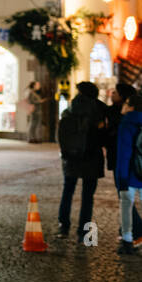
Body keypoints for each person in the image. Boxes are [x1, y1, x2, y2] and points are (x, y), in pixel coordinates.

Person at [57, 81, 107, 244]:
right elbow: (103, 136)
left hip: (71, 157)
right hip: (92, 158)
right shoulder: (99, 111)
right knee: (87, 197)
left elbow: (62, 133)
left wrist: (65, 151)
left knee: (68, 191)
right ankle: (83, 233)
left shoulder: (69, 110)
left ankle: (63, 227)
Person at [112, 94, 142, 256]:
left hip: (130, 174)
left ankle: (127, 241)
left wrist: (121, 178)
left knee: (126, 207)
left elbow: (124, 154)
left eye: (126, 103)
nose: (123, 105)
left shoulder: (127, 123)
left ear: (131, 107)